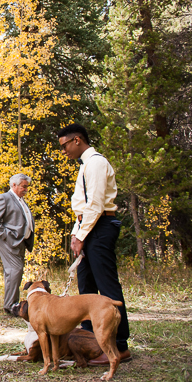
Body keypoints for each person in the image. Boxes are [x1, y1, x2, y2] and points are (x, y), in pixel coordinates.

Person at [57, 123, 131, 365]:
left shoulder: (96, 162)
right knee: (86, 289)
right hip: (88, 228)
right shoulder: (85, 166)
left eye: (65, 145)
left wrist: (81, 235)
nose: (64, 151)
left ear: (77, 140)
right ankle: (90, 343)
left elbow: (96, 204)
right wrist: (75, 234)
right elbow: (83, 207)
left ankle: (119, 346)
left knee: (107, 288)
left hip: (99, 228)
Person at [0, 173, 35, 315]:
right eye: (23, 187)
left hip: (20, 242)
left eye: (27, 187)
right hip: (9, 242)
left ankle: (12, 304)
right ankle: (11, 305)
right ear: (14, 185)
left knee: (14, 272)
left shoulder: (20, 200)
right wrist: (6, 235)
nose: (26, 189)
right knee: (15, 271)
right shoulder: (4, 198)